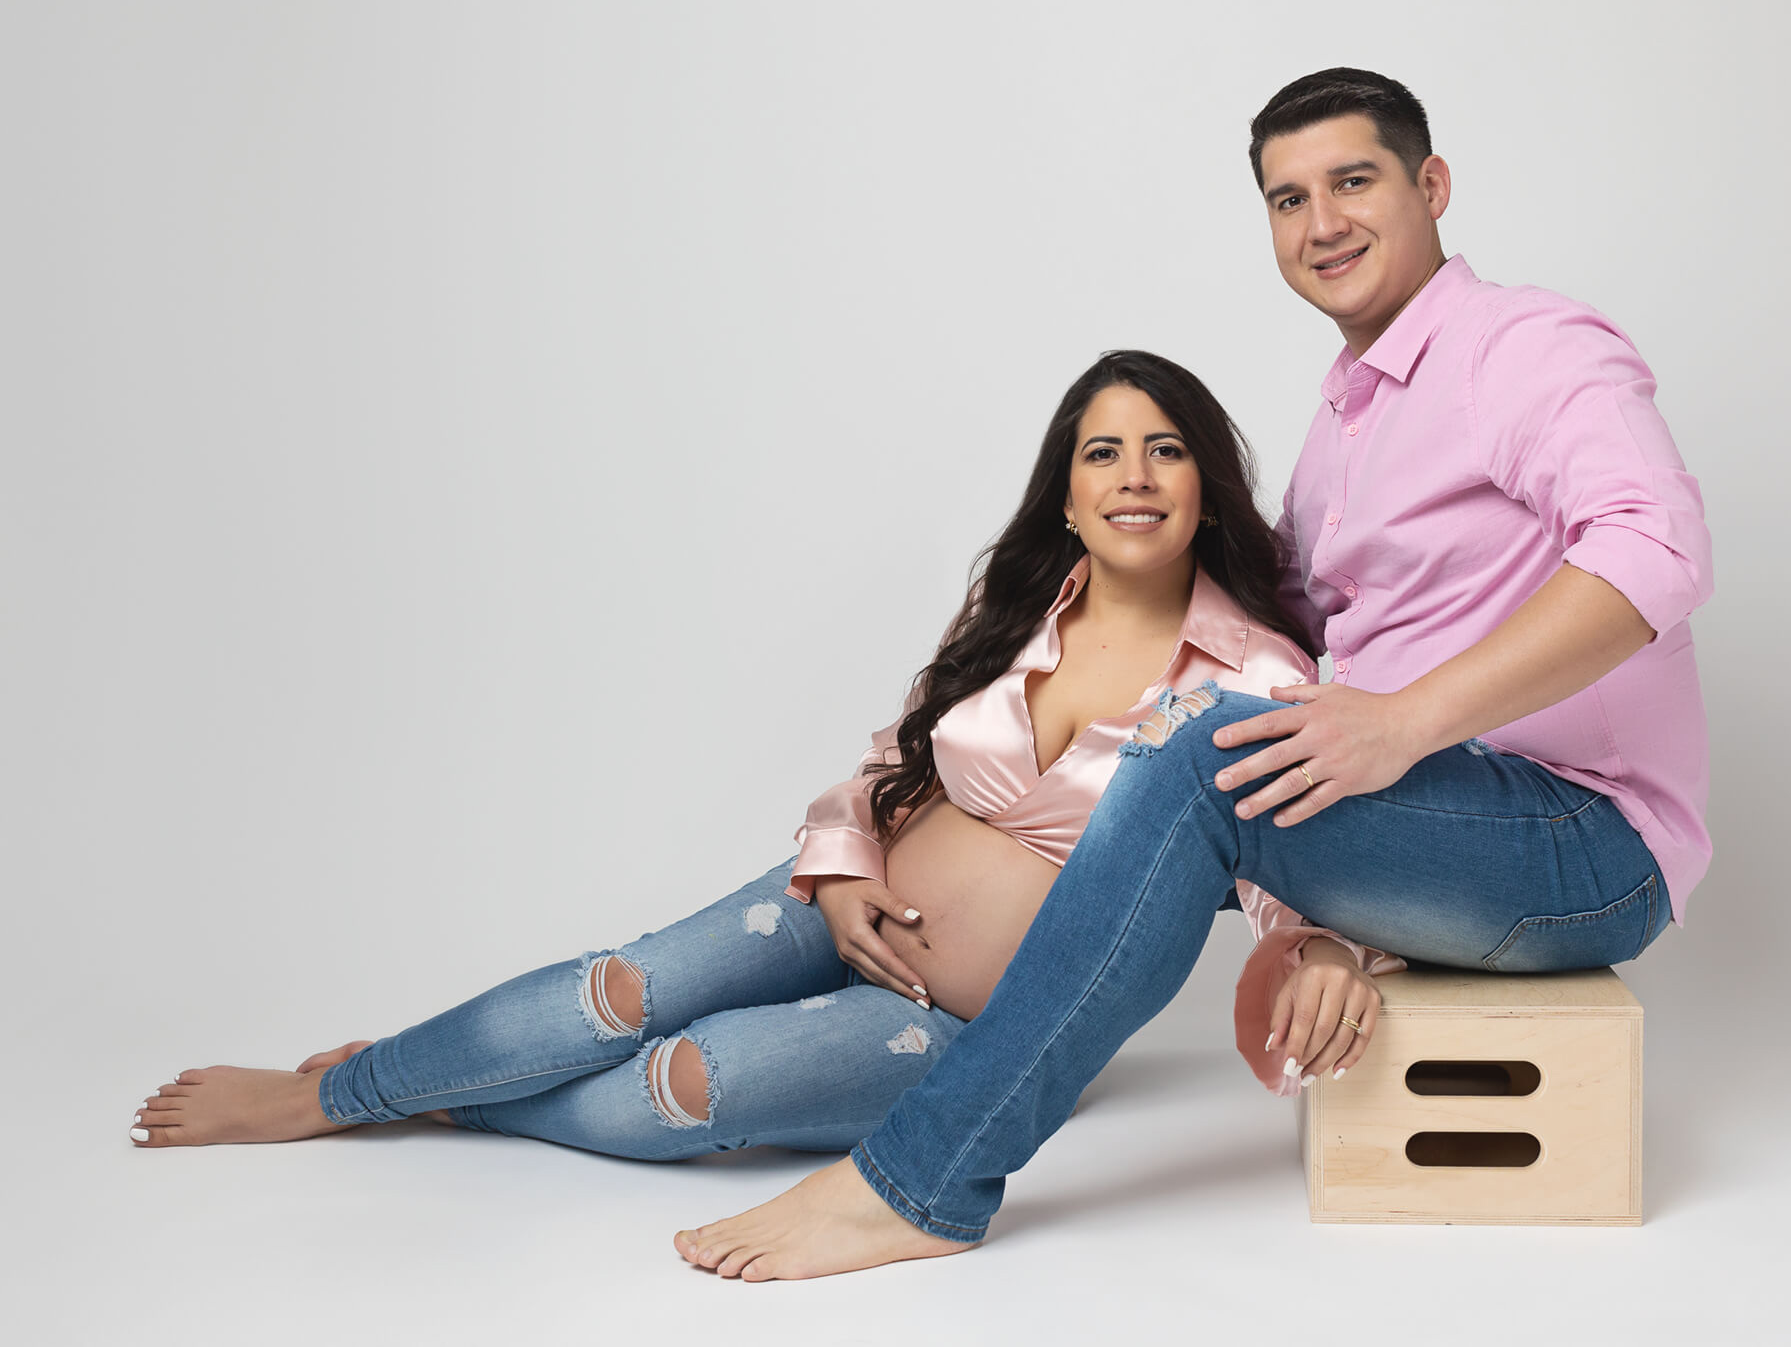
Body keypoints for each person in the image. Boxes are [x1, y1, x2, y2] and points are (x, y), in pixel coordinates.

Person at [677, 67, 1713, 1281]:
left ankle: (919, 1176)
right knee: (1155, 744)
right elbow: (1294, 645)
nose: (1320, 222)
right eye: (1286, 199)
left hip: (1581, 844)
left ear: (1430, 187)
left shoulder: (1524, 347)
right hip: (1442, 820)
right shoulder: (1347, 423)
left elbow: (1656, 547)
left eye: (1352, 182)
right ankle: (905, 1006)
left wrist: (1400, 724)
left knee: (1192, 766)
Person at [127, 351, 1399, 1175]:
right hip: (833, 907)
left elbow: (1287, 865)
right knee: (617, 993)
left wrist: (1337, 950)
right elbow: (891, 759)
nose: (1134, 475)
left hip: (966, 1024)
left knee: (687, 1087)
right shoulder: (1021, 613)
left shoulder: (1261, 678)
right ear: (1063, 495)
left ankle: (440, 1098)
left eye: (1164, 448)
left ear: (1204, 484)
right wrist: (841, 870)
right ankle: (340, 1091)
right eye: (1102, 451)